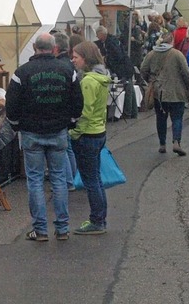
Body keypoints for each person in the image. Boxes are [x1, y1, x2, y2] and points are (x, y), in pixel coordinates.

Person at [5, 33, 83, 242]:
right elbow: (77, 101)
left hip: (31, 132)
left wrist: (16, 125)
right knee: (59, 179)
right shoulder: (68, 71)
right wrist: (71, 121)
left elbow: (11, 105)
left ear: (34, 47)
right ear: (54, 48)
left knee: (36, 180)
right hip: (58, 130)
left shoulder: (22, 73)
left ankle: (40, 229)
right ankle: (63, 228)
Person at [69, 42, 112, 235]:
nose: (73, 60)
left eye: (76, 56)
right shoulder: (101, 78)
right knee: (95, 179)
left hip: (87, 134)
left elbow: (83, 113)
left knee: (91, 180)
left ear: (85, 58)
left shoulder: (87, 82)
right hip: (98, 131)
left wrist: (73, 133)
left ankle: (97, 220)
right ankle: (99, 217)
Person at [140, 31, 189, 156]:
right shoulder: (177, 54)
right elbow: (186, 73)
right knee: (177, 118)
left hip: (158, 92)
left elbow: (143, 69)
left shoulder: (151, 54)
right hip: (176, 91)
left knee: (161, 118)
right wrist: (188, 86)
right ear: (172, 41)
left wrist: (151, 81)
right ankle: (176, 142)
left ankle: (162, 144)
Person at [53, 31, 78, 192]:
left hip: (62, 113)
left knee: (64, 149)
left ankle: (69, 181)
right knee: (68, 149)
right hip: (69, 114)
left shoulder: (60, 66)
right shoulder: (69, 64)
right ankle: (73, 179)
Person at [95, 26, 137, 118]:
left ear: (101, 34)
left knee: (128, 89)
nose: (97, 37)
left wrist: (106, 58)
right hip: (126, 66)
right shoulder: (112, 40)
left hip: (123, 68)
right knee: (130, 89)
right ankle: (133, 112)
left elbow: (117, 55)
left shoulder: (110, 42)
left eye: (97, 35)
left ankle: (128, 113)